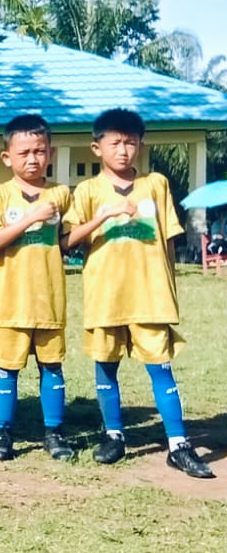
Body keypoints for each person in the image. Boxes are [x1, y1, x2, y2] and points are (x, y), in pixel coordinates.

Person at [64, 108, 213, 477]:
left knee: (161, 370)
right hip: (106, 296)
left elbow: (169, 242)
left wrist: (170, 290)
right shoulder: (86, 191)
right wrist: (103, 216)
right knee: (106, 367)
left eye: (130, 143)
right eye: (115, 143)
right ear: (96, 147)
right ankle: (114, 435)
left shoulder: (156, 184)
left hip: (150, 296)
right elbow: (67, 241)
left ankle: (178, 444)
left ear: (141, 145)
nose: (123, 150)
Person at [0, 115, 75, 463]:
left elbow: (68, 242)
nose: (32, 159)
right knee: (7, 368)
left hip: (48, 297)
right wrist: (32, 217)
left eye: (39, 151)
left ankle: (54, 432)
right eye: (24, 153)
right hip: (9, 299)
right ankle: (3, 433)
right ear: (7, 157)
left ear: (49, 152)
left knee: (52, 366)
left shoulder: (61, 194)